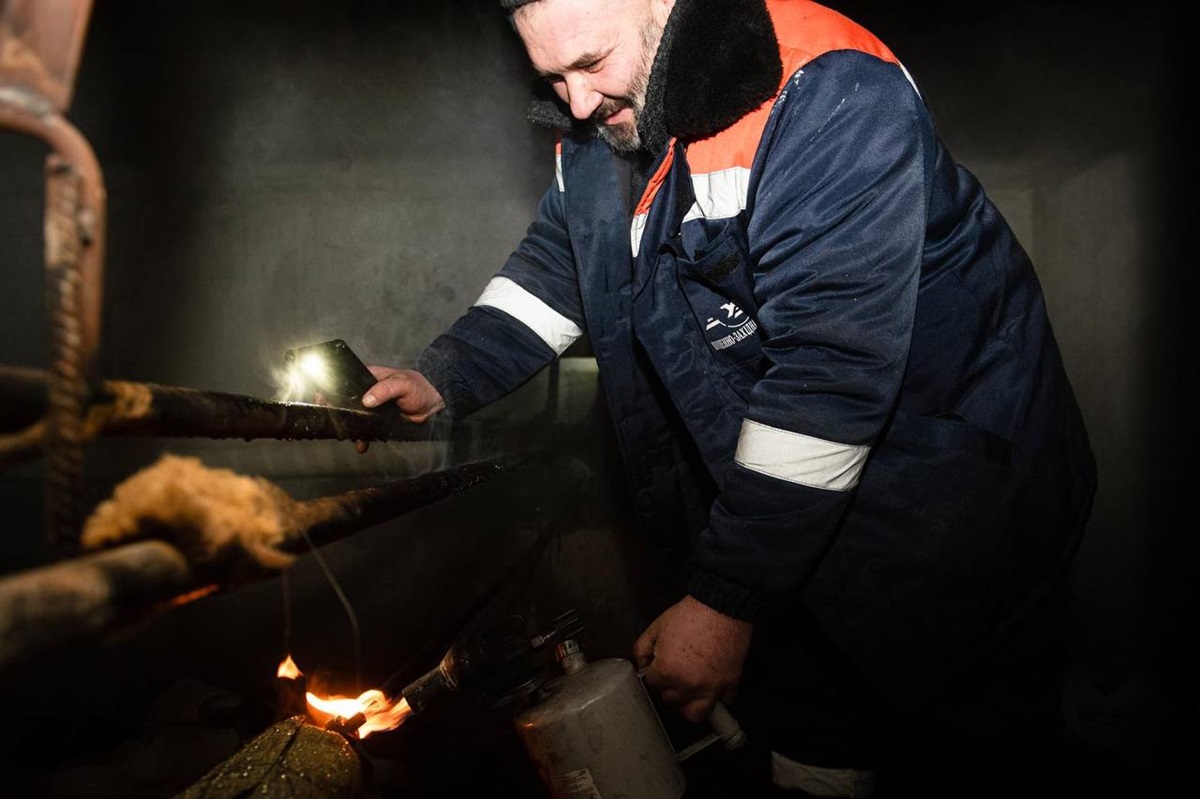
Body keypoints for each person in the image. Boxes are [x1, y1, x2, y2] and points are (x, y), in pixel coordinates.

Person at [358, 0, 1097, 795]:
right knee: (815, 744)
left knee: (974, 752)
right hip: (790, 525)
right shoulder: (607, 124)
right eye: (551, 77)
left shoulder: (825, 91)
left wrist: (724, 598)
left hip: (953, 508)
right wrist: (446, 374)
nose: (575, 101)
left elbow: (828, 374)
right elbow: (564, 264)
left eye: (591, 63)